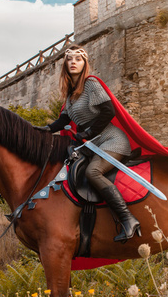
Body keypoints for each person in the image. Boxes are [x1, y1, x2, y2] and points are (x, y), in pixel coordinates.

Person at [36, 45, 140, 243]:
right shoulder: (70, 94)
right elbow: (64, 120)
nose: (73, 62)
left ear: (84, 64)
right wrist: (45, 129)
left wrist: (90, 132)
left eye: (78, 59)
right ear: (65, 65)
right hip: (92, 144)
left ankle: (128, 219)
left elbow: (109, 111)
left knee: (93, 172)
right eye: (70, 59)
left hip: (111, 140)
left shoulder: (91, 84)